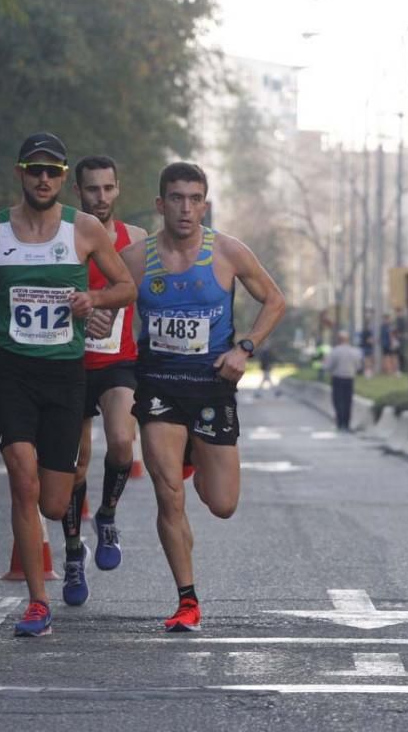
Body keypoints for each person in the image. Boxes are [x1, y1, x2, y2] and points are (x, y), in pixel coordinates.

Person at [0, 132, 136, 637]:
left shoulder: (85, 230)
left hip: (64, 373)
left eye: (53, 171)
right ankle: (37, 603)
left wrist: (93, 303)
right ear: (21, 173)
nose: (43, 178)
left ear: (62, 177)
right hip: (13, 369)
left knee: (54, 501)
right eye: (35, 169)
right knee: (22, 479)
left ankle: (77, 531)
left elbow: (126, 287)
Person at [120, 162, 285, 632]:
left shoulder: (228, 252)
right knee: (168, 494)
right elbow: (102, 295)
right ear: (160, 204)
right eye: (176, 198)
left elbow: (275, 300)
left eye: (195, 199)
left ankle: (194, 454)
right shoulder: (136, 258)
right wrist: (94, 317)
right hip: (159, 386)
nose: (186, 208)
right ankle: (187, 600)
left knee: (222, 503)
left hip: (212, 386)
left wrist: (246, 347)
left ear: (205, 204)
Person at [57, 155, 147, 607]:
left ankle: (106, 516)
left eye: (108, 188)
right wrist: (84, 310)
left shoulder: (136, 240)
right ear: (78, 191)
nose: (102, 197)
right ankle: (74, 554)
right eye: (92, 189)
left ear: (118, 189)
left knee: (122, 443)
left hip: (117, 363)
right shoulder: (62, 237)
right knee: (74, 464)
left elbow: (141, 294)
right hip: (69, 361)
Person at [324, 330, 364, 431]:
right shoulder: (355, 352)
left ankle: (340, 422)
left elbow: (328, 366)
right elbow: (359, 366)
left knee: (338, 401)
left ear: (339, 340)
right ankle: (346, 423)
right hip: (349, 378)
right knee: (347, 401)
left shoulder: (335, 351)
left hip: (337, 378)